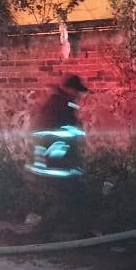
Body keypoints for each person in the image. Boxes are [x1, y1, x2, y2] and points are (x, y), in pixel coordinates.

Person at [25, 74, 89, 235]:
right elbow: (50, 134)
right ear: (69, 89)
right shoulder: (57, 106)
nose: (79, 95)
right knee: (65, 199)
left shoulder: (62, 103)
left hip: (61, 163)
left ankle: (77, 232)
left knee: (73, 197)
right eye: (77, 91)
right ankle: (42, 233)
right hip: (56, 165)